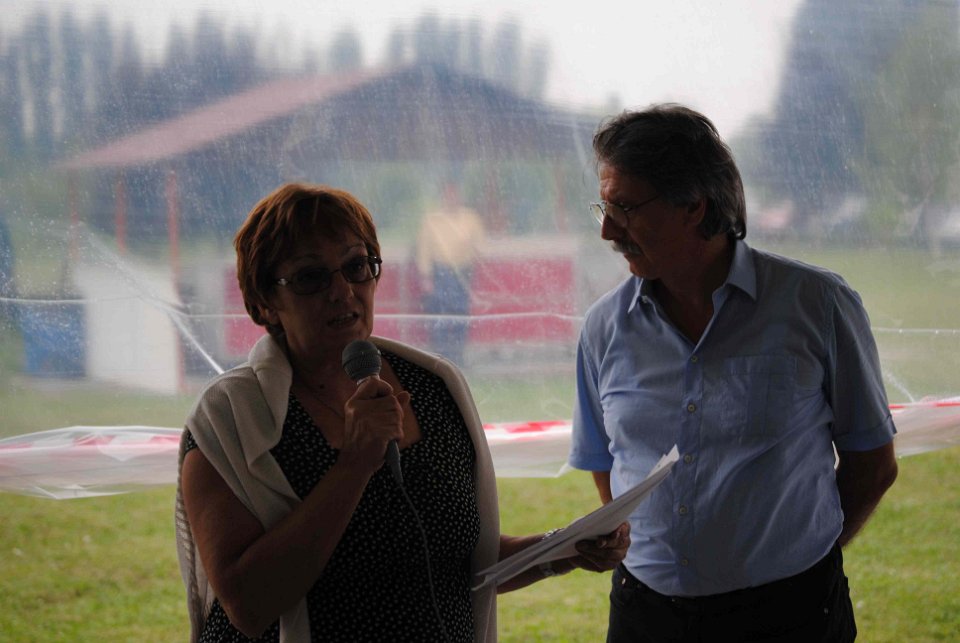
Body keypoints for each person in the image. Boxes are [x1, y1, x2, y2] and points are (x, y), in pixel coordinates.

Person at [175, 183, 628, 642]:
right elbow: (248, 606)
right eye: (311, 277)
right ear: (263, 303)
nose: (342, 291)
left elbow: (452, 563)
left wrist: (561, 550)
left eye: (357, 267)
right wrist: (354, 466)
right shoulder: (229, 417)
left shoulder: (434, 386)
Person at [569, 104, 899, 642]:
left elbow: (873, 464)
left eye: (625, 208)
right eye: (604, 208)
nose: (608, 230)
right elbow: (605, 462)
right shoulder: (604, 327)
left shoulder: (817, 305)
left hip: (791, 614)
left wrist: (798, 559)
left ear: (693, 206)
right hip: (644, 615)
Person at [415, 183, 486, 365]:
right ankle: (440, 358)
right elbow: (424, 249)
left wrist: (472, 252)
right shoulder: (432, 220)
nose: (452, 198)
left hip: (463, 272)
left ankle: (458, 356)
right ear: (443, 197)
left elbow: (480, 246)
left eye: (454, 194)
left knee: (461, 314)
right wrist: (426, 276)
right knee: (440, 313)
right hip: (440, 273)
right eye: (448, 195)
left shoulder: (470, 218)